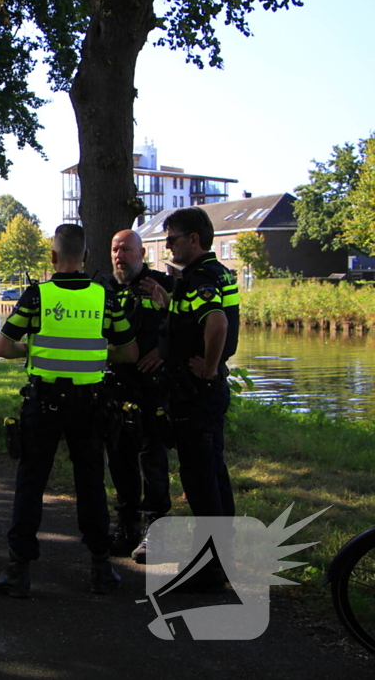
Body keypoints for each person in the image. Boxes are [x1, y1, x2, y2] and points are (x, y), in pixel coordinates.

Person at [0, 224, 138, 597]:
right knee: (90, 484)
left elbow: (2, 348)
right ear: (87, 257)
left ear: (53, 257)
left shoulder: (37, 296)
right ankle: (101, 569)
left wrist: (33, 351)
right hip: (89, 405)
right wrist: (93, 353)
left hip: (44, 403)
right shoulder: (105, 298)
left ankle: (18, 571)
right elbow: (129, 353)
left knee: (30, 483)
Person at [142, 207, 239, 529]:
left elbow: (217, 322)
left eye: (173, 239)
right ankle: (223, 555)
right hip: (203, 392)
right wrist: (167, 303)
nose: (168, 246)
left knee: (199, 481)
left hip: (197, 393)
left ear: (193, 239)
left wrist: (209, 369)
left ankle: (210, 569)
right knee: (213, 472)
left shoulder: (201, 276)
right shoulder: (217, 271)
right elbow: (195, 319)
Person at [102, 230, 174, 563]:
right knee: (119, 458)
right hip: (116, 387)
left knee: (153, 460)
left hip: (152, 387)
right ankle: (126, 526)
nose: (120, 255)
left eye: (127, 250)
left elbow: (191, 326)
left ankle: (156, 532)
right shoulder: (101, 289)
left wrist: (164, 349)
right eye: (116, 250)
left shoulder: (160, 283)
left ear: (142, 253)